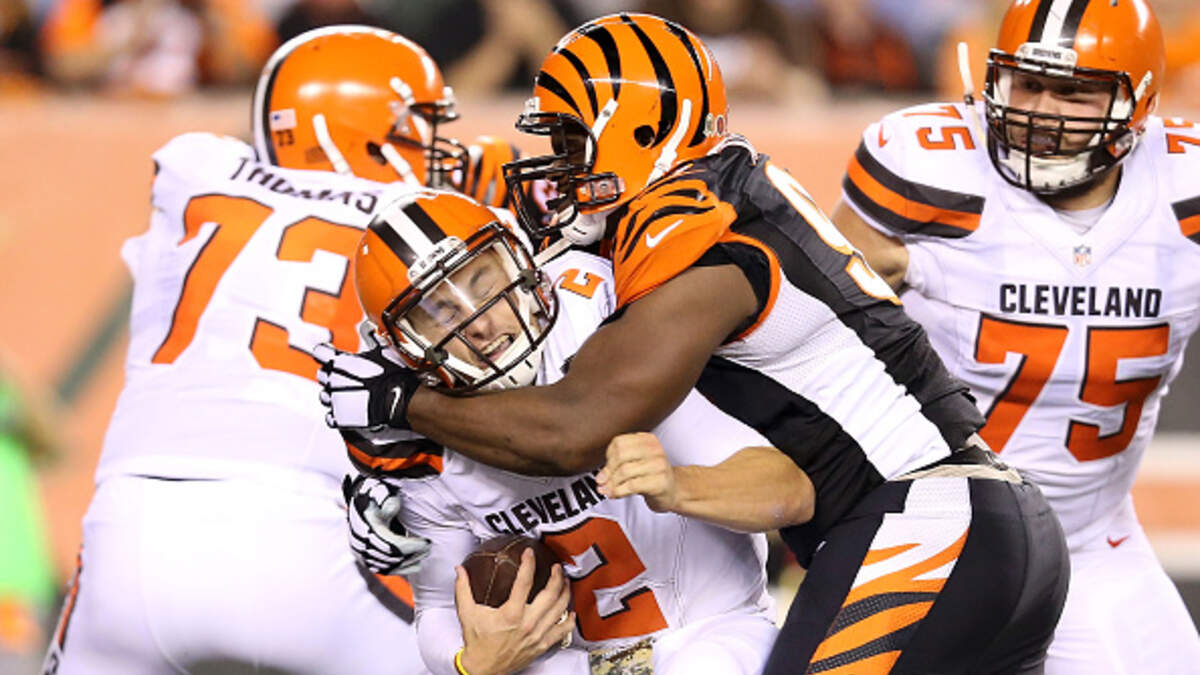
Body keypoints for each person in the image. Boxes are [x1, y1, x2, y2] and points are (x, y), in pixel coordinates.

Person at [319, 12, 1070, 673]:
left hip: (925, 522)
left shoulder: (690, 217)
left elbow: (573, 427)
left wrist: (402, 404)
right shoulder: (716, 197)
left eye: (573, 142)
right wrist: (392, 478)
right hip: (975, 522)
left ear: (641, 131)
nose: (560, 168)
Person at [39, 25, 468, 675]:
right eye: (418, 126)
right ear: (350, 126)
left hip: (129, 531)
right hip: (304, 537)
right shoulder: (422, 222)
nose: (436, 147)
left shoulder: (192, 170)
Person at [830, 0, 1200, 672]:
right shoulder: (928, 168)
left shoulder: (1184, 194)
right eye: (1027, 84)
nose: (1042, 113)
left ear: (1141, 101)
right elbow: (808, 331)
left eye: (1074, 93)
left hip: (1091, 543)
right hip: (925, 531)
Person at [324, 188, 808, 674]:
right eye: (441, 314)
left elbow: (789, 492)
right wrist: (472, 664)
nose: (479, 323)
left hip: (710, 632)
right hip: (569, 659)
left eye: (482, 283)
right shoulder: (414, 433)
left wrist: (678, 487)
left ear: (520, 260)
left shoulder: (601, 312)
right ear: (403, 348)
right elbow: (437, 608)